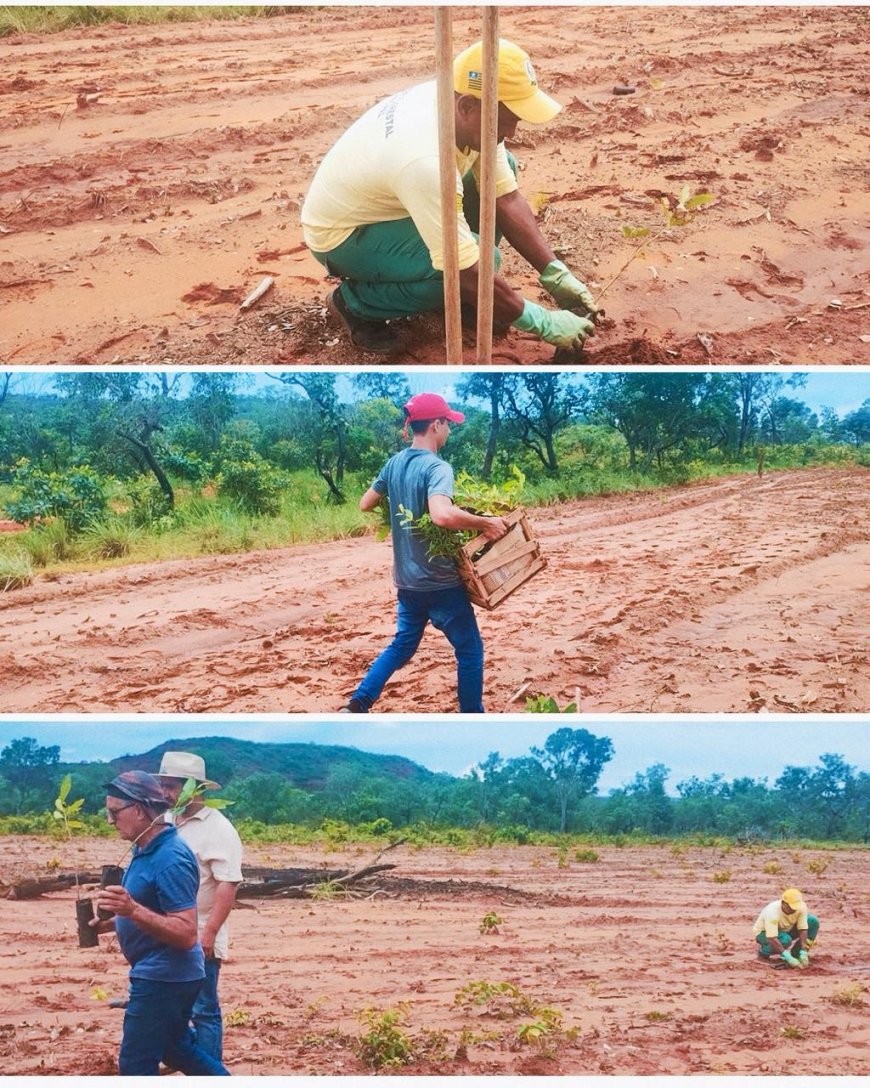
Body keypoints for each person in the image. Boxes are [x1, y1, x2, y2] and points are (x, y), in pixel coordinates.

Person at [302, 38, 599, 354]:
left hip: (394, 204)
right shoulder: (425, 161)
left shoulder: (459, 102)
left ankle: (468, 297)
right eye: (508, 118)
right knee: (471, 267)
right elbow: (463, 267)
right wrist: (542, 322)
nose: (512, 132)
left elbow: (504, 198)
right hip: (345, 236)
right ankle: (354, 303)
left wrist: (554, 272)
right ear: (467, 107)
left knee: (504, 166)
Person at [342, 393, 507, 714]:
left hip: (407, 584)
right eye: (448, 424)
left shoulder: (394, 463)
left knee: (402, 645)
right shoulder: (438, 467)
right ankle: (472, 717)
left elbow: (365, 503)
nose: (449, 431)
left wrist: (400, 497)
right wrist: (484, 522)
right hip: (441, 584)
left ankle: (358, 704)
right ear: (436, 425)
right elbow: (442, 515)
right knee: (470, 651)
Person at [94, 770, 230, 1076]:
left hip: (164, 977)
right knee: (176, 1048)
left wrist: (131, 911)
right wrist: (112, 921)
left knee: (136, 1063)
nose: (109, 820)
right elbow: (151, 909)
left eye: (114, 812)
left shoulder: (171, 858)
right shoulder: (144, 848)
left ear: (140, 811)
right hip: (166, 974)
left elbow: (184, 933)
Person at [154, 752, 243, 1064]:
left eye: (172, 786)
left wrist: (209, 934)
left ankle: (209, 1070)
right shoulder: (164, 822)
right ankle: (187, 1059)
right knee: (170, 1005)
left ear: (195, 788)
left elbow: (227, 884)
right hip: (167, 931)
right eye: (162, 785)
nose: (165, 793)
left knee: (203, 1009)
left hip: (201, 933)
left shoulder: (219, 829)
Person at [753, 887, 820, 968]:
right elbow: (771, 937)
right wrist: (786, 956)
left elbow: (803, 929)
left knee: (813, 921)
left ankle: (797, 954)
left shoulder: (801, 907)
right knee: (785, 940)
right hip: (765, 933)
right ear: (784, 903)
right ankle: (763, 952)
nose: (794, 910)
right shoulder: (772, 912)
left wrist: (803, 951)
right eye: (791, 907)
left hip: (787, 929)